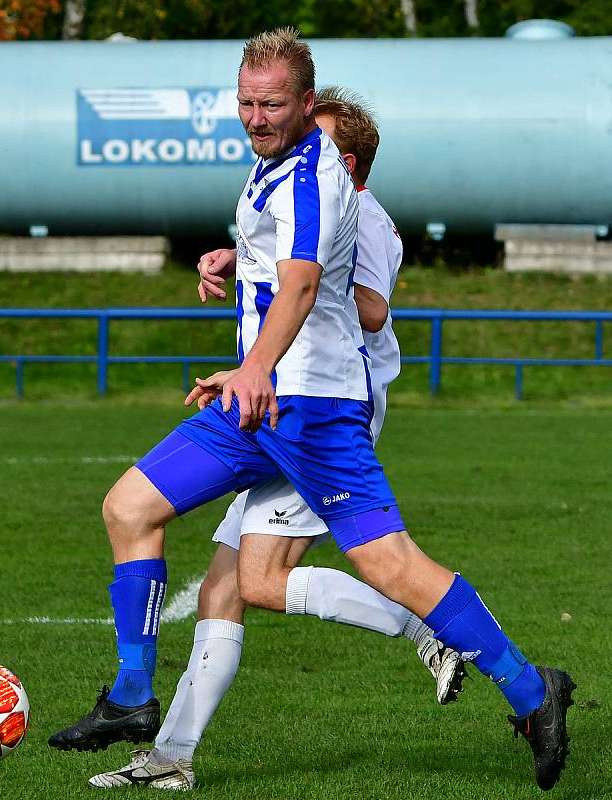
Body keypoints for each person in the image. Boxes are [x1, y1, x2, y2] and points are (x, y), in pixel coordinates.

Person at [49, 28, 575, 793]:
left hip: (310, 408)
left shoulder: (313, 177)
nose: (256, 117)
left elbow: (303, 283)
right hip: (260, 405)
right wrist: (239, 266)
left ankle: (533, 690)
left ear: (303, 101)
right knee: (131, 507)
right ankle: (134, 700)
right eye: (246, 103)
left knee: (388, 564)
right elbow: (287, 265)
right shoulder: (277, 166)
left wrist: (254, 366)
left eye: (272, 104)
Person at [88, 86, 465, 792]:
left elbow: (375, 309)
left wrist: (303, 278)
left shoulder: (367, 219)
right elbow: (292, 263)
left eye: (312, 140)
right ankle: (169, 760)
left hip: (322, 420)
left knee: (255, 580)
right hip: (282, 410)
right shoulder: (303, 202)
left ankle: (428, 628)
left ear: (344, 159)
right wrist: (244, 259)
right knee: (225, 589)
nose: (294, 147)